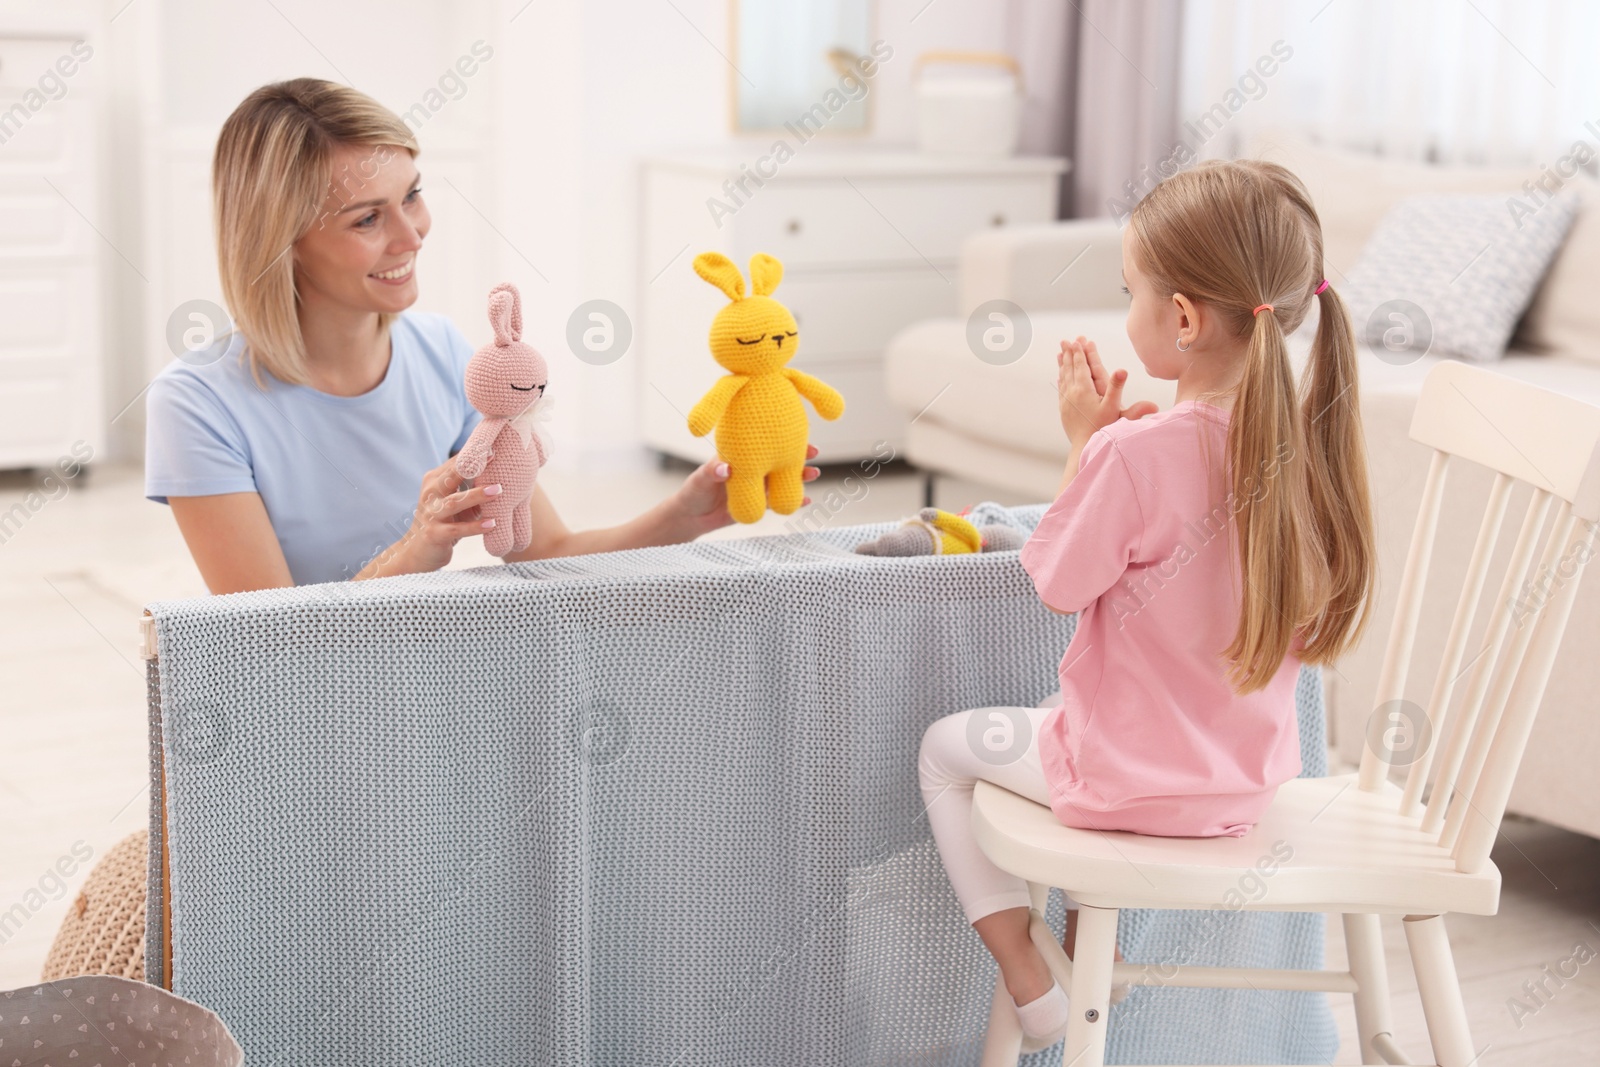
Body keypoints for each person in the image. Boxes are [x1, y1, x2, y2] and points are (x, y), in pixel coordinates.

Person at [916, 159, 1375, 1049]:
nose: (1124, 312)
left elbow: (1054, 581)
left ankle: (1027, 971)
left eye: (1130, 291)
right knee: (1066, 709)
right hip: (1245, 787)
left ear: (1184, 320)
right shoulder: (1309, 454)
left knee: (945, 749)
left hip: (1126, 785)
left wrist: (1086, 446)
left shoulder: (1139, 455)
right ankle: (1090, 958)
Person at [145, 78, 818, 593]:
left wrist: (683, 515)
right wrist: (416, 550)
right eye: (366, 219)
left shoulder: (441, 354)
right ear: (281, 242)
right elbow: (266, 645)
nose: (412, 235)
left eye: (411, 194)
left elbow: (545, 554)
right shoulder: (198, 405)